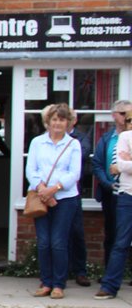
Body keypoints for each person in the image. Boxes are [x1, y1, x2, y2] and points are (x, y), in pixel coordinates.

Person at [25, 103, 82, 299]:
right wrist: (42, 189)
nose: (58, 123)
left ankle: (59, 284)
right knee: (44, 242)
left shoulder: (73, 144)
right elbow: (30, 169)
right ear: (47, 122)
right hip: (41, 198)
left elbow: (74, 173)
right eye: (54, 119)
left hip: (65, 199)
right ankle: (45, 282)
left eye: (62, 119)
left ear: (68, 123)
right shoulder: (37, 142)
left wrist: (53, 189)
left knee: (59, 242)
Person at [92, 100, 132, 269]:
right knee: (112, 233)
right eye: (124, 114)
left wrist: (123, 165)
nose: (127, 118)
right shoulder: (108, 138)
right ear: (114, 115)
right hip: (112, 191)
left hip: (128, 190)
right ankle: (110, 271)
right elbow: (98, 163)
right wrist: (107, 183)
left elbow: (121, 166)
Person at [95, 123, 132, 300]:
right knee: (121, 242)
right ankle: (109, 286)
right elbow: (116, 165)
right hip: (127, 195)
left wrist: (126, 163)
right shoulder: (125, 137)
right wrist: (124, 164)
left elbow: (121, 167)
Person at [66, 117, 92, 287]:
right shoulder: (44, 140)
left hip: (74, 191)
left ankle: (80, 271)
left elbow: (83, 153)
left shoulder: (80, 138)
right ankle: (61, 271)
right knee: (57, 236)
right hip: (51, 193)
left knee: (77, 232)